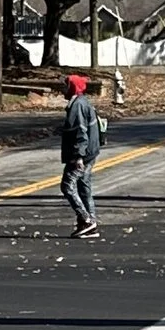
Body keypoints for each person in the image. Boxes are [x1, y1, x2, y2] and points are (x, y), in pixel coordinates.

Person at [60, 71, 105, 236]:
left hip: (81, 154)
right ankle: (90, 225)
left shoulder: (77, 106)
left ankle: (86, 219)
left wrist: (78, 156)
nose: (62, 89)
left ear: (71, 88)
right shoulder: (83, 102)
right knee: (84, 187)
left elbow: (81, 132)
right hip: (91, 152)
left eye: (65, 86)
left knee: (67, 186)